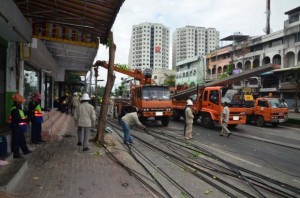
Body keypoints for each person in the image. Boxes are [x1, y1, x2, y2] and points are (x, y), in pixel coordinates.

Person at [9, 93, 32, 158]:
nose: (22, 102)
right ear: (17, 101)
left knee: (22, 139)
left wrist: (29, 112)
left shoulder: (18, 107)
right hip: (15, 126)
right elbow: (18, 119)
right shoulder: (14, 109)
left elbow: (22, 113)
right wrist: (27, 120)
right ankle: (16, 154)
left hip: (19, 126)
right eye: (21, 101)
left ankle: (25, 150)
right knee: (16, 140)